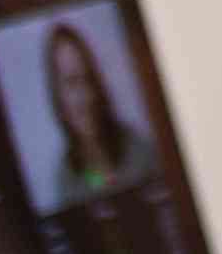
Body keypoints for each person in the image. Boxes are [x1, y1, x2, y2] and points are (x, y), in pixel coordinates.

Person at [38, 19, 144, 203]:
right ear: (57, 95)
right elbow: (100, 184)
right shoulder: (67, 182)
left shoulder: (137, 148)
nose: (85, 96)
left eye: (88, 79)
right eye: (71, 82)